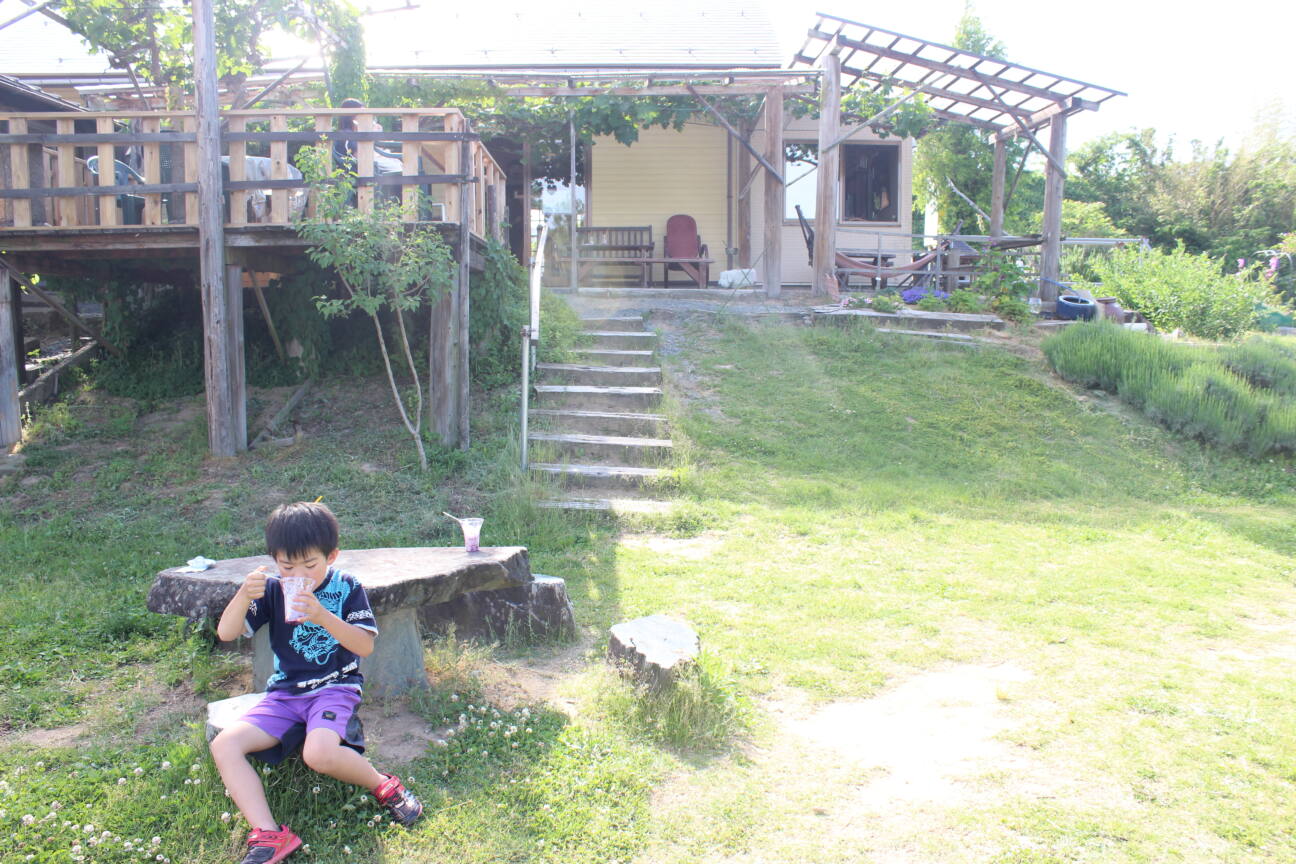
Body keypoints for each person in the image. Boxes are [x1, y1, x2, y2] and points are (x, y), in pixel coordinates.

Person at [210, 502, 423, 864]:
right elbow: (227, 633)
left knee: (319, 754)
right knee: (225, 745)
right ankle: (269, 833)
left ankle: (383, 784)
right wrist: (243, 595)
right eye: (286, 566)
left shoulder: (346, 587)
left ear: (331, 556)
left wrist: (322, 615)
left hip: (334, 686)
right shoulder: (273, 590)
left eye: (310, 565)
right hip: (285, 693)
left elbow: (364, 646)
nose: (299, 575)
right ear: (274, 561)